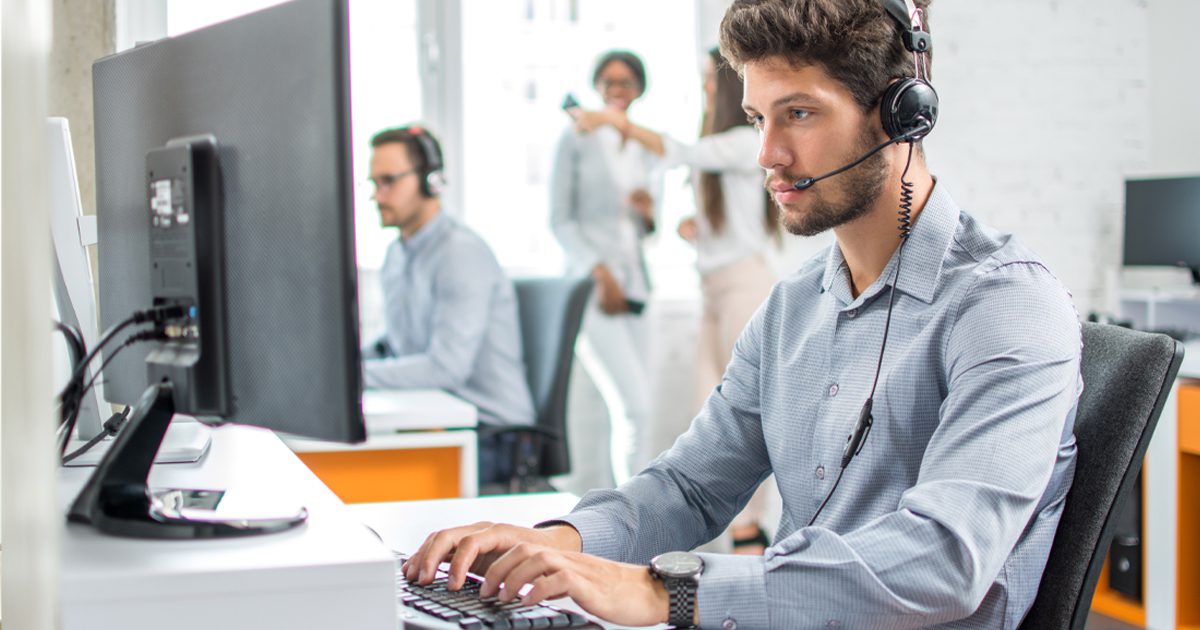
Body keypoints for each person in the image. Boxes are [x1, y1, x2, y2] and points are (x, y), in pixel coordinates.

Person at [403, 1, 1083, 628]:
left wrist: (663, 591)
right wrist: (558, 544)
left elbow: (943, 561)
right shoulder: (793, 308)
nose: (767, 156)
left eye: (800, 114)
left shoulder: (1005, 306)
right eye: (759, 119)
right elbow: (690, 486)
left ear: (901, 114)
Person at [578, 47, 783, 555]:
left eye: (710, 82)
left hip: (745, 288)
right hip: (714, 289)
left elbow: (679, 151)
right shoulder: (722, 144)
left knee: (752, 420)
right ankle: (736, 535)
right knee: (709, 418)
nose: (706, 91)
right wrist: (697, 232)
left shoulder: (744, 140)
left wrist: (613, 123)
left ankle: (751, 534)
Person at [360, 126, 535, 486]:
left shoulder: (459, 253)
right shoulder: (397, 254)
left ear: (431, 181)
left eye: (389, 181)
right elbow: (395, 343)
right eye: (374, 183)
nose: (378, 195)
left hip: (492, 436)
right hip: (435, 420)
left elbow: (445, 368)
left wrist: (351, 380)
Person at [550, 50, 661, 485]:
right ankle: (634, 518)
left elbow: (647, 231)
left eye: (626, 83)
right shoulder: (576, 137)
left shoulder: (643, 146)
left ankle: (631, 509)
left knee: (641, 409)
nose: (617, 91)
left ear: (638, 90)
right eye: (609, 82)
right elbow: (559, 219)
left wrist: (648, 214)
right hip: (593, 288)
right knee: (632, 406)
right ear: (597, 86)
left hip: (638, 287)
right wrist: (599, 271)